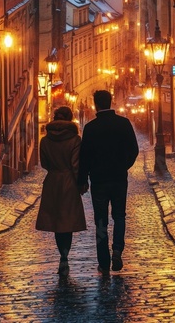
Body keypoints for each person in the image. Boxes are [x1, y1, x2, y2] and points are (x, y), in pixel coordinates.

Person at [77, 90, 139, 275]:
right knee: (119, 216)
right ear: (111, 102)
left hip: (99, 181)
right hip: (119, 179)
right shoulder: (123, 123)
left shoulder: (90, 128)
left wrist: (83, 180)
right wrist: (123, 166)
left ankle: (104, 261)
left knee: (101, 221)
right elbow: (134, 150)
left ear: (96, 104)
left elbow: (84, 157)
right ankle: (118, 250)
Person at [36, 106, 86, 276]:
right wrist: (81, 184)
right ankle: (65, 256)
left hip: (52, 182)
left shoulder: (45, 140)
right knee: (68, 222)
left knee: (57, 222)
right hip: (69, 182)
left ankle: (62, 256)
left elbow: (44, 164)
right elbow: (76, 165)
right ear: (70, 119)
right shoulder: (75, 140)